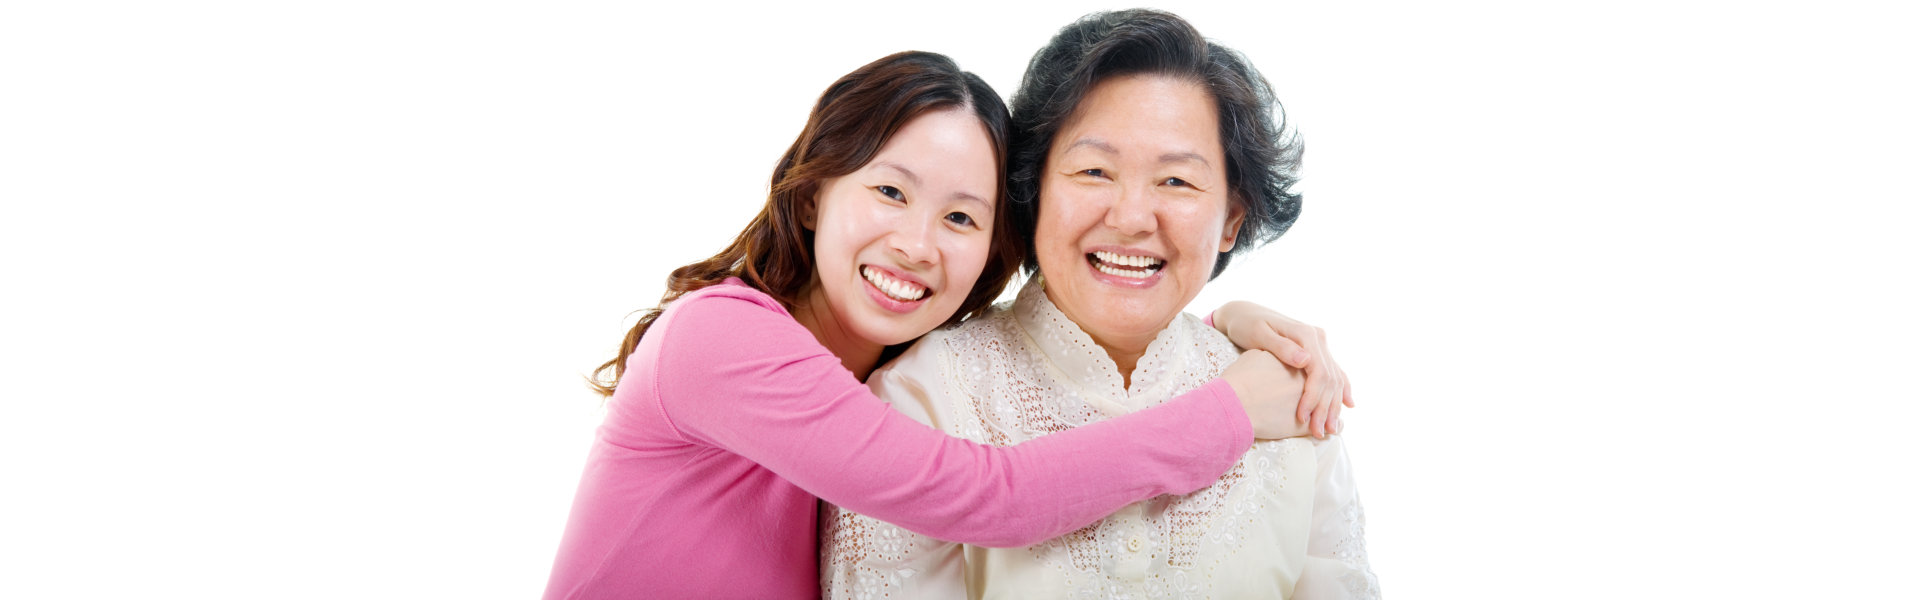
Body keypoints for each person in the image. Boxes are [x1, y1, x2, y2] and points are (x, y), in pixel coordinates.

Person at [544, 50, 1346, 599]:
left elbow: (1107, 327)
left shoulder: (889, 366)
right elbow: (986, 494)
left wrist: (1216, 328)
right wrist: (1231, 409)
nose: (917, 245)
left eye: (961, 218)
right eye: (890, 192)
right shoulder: (720, 339)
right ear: (816, 189)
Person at [822, 10, 1378, 599]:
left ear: (1231, 220)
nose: (1132, 218)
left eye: (1176, 182)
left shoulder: (1290, 396)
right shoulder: (924, 395)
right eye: (1094, 171)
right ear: (1033, 191)